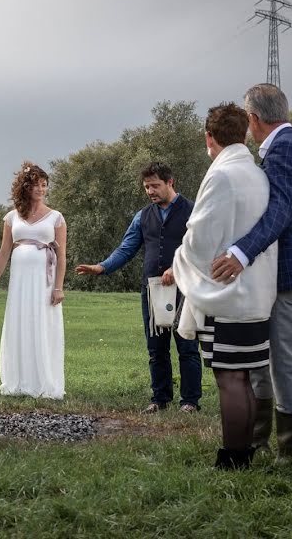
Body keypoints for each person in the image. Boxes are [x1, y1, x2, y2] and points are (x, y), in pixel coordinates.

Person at [211, 84, 292, 461]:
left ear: (253, 118)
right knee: (265, 358)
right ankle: (258, 439)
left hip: (290, 269)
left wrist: (241, 252)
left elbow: (280, 211)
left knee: (283, 360)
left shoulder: (283, 148)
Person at [173, 103, 278, 469]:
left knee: (228, 377)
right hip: (257, 292)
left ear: (209, 136)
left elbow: (201, 239)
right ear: (245, 134)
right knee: (244, 376)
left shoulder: (222, 176)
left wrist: (179, 258)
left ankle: (233, 458)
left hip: (227, 293)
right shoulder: (257, 173)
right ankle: (244, 451)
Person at [76, 162, 202, 414]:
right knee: (156, 348)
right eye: (146, 187)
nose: (150, 191)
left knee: (187, 346)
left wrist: (177, 268)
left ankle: (190, 402)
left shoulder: (192, 211)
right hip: (152, 289)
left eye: (155, 185)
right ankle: (160, 399)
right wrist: (102, 267)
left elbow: (201, 247)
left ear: (170, 182)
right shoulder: (142, 216)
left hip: (185, 289)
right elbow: (127, 248)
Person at [0, 162, 66, 399]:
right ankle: (18, 381)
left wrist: (58, 287)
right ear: (25, 188)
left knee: (42, 324)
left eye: (44, 185)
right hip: (20, 282)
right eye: (36, 185)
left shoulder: (56, 218)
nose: (41, 189)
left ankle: (44, 382)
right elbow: (3, 252)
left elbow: (61, 255)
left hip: (44, 281)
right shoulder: (12, 217)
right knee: (20, 322)